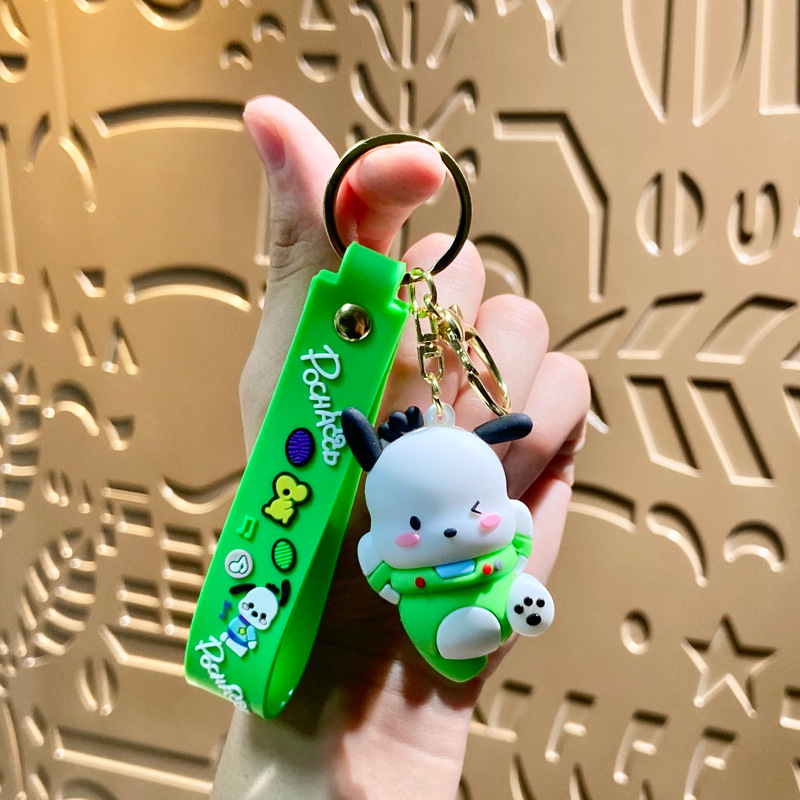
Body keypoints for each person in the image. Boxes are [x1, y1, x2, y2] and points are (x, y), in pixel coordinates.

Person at [210, 96, 590, 799]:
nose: (445, 527)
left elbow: (502, 530)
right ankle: (502, 607)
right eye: (416, 522)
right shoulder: (402, 537)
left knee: (510, 588)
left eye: (470, 510)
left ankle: (514, 603)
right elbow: (378, 561)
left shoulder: (480, 524)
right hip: (417, 612)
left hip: (472, 591)